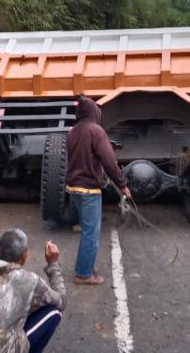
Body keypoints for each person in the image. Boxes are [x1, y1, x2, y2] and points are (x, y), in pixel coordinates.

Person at [65, 95, 131, 285]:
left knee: (87, 230)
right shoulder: (97, 131)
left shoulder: (73, 132)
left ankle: (86, 266)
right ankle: (83, 274)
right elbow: (110, 162)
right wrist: (123, 185)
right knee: (91, 234)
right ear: (94, 112)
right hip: (89, 190)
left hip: (74, 188)